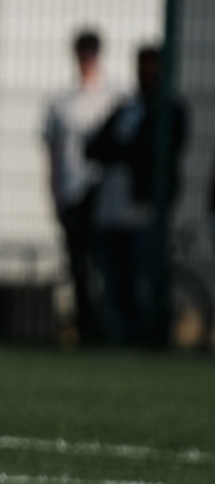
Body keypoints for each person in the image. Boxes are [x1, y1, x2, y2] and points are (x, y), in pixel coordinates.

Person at [86, 45, 188, 345]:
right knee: (114, 282)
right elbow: (94, 146)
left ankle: (153, 339)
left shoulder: (172, 109)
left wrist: (121, 149)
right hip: (111, 209)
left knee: (144, 279)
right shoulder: (125, 106)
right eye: (142, 65)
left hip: (144, 209)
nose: (146, 72)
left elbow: (156, 151)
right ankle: (122, 340)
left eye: (152, 65)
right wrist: (125, 149)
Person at [41, 29, 114, 340]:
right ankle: (85, 327)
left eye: (91, 52)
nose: (86, 59)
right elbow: (52, 154)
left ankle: (110, 326)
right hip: (71, 193)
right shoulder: (61, 101)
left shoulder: (114, 96)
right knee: (78, 265)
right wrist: (54, 194)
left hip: (104, 193)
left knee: (107, 264)